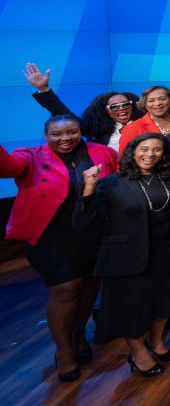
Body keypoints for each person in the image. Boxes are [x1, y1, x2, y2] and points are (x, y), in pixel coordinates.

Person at [1, 114, 118, 381]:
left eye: (72, 132)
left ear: (80, 132)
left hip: (92, 232)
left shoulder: (101, 152)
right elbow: (6, 167)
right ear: (46, 135)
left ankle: (78, 338)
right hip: (50, 236)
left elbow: (117, 181)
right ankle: (63, 352)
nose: (65, 138)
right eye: (57, 134)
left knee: (90, 286)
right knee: (66, 290)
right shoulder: (29, 155)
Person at [74, 133, 170, 377]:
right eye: (144, 149)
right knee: (134, 307)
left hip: (167, 250)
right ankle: (138, 353)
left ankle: (156, 342)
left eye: (157, 150)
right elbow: (84, 224)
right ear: (132, 151)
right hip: (129, 255)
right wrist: (89, 187)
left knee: (164, 301)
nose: (150, 154)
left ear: (164, 154)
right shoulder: (112, 182)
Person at [24, 63, 143, 150]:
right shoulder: (97, 131)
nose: (122, 108)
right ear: (105, 111)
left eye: (125, 105)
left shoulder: (145, 124)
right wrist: (44, 89)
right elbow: (64, 114)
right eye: (114, 107)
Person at [119, 86, 170, 153]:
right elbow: (123, 158)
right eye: (151, 101)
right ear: (145, 104)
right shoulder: (132, 128)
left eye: (162, 99)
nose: (157, 103)